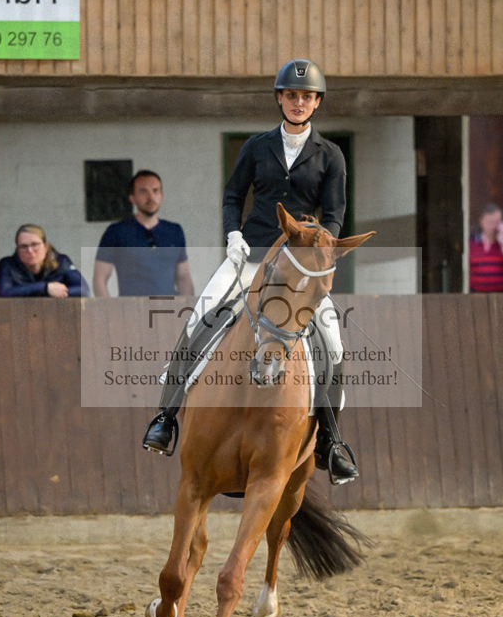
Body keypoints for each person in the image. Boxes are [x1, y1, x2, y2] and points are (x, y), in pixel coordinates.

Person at [142, 58, 359, 484]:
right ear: (280, 98)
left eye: (307, 97)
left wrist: (320, 252)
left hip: (299, 269)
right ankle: (165, 418)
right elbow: (233, 195)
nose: (298, 103)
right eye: (291, 95)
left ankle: (331, 441)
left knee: (333, 345)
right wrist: (233, 235)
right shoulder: (257, 147)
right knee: (198, 320)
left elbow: (335, 215)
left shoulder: (330, 155)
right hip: (253, 256)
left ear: (317, 103)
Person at [93, 170, 194, 297]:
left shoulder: (174, 231)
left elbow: (183, 277)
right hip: (132, 307)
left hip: (169, 307)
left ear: (161, 195)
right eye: (143, 191)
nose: (151, 197)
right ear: (132, 198)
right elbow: (100, 279)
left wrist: (187, 307)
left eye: (155, 191)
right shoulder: (116, 232)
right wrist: (110, 308)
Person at [0, 224, 89, 298]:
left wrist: (56, 292)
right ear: (17, 250)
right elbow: (5, 293)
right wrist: (45, 288)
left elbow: (84, 290)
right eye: (24, 246)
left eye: (34, 244)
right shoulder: (7, 264)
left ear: (46, 247)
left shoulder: (62, 261)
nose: (30, 250)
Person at [469, 203, 503, 293]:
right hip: (476, 295)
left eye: (497, 222)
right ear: (481, 221)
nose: (494, 226)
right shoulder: (471, 242)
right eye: (490, 222)